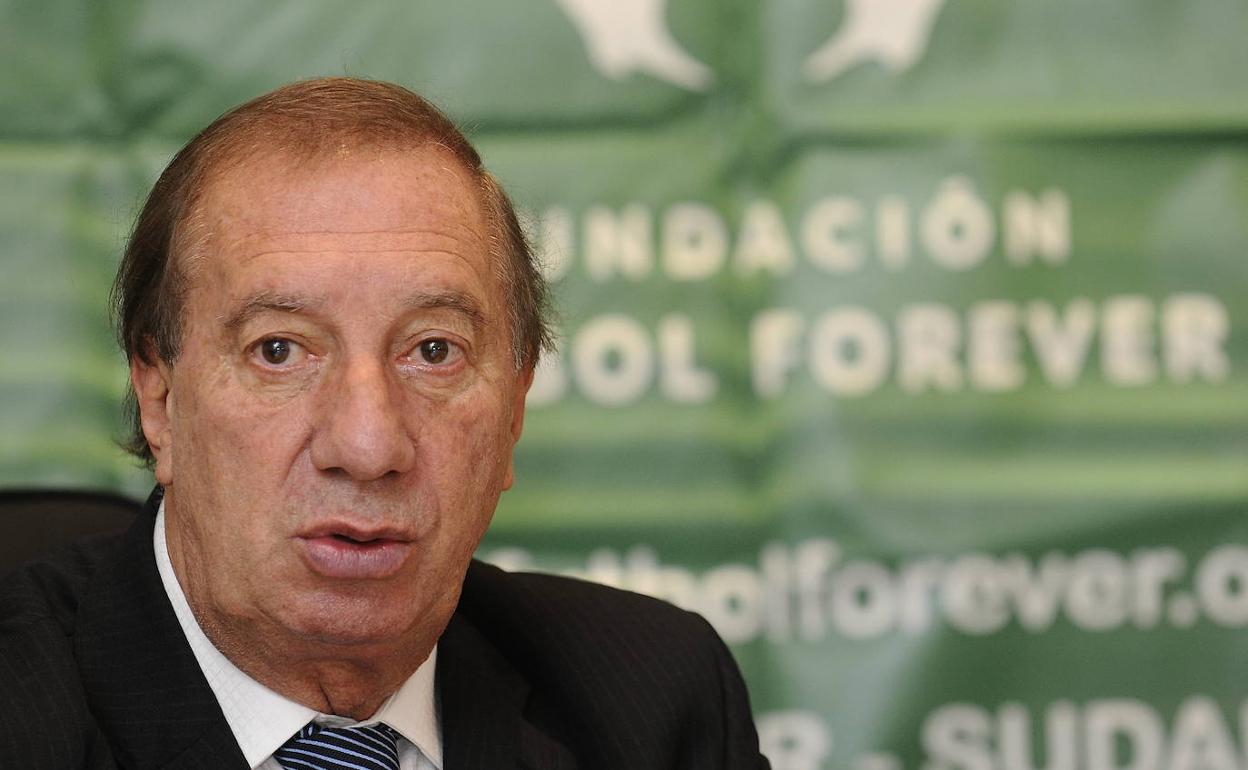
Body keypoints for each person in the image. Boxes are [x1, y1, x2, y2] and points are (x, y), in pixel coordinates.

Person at [0, 78, 768, 769]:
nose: (368, 447)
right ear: (160, 397)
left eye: (433, 351)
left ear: (515, 407)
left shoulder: (654, 702)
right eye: (279, 350)